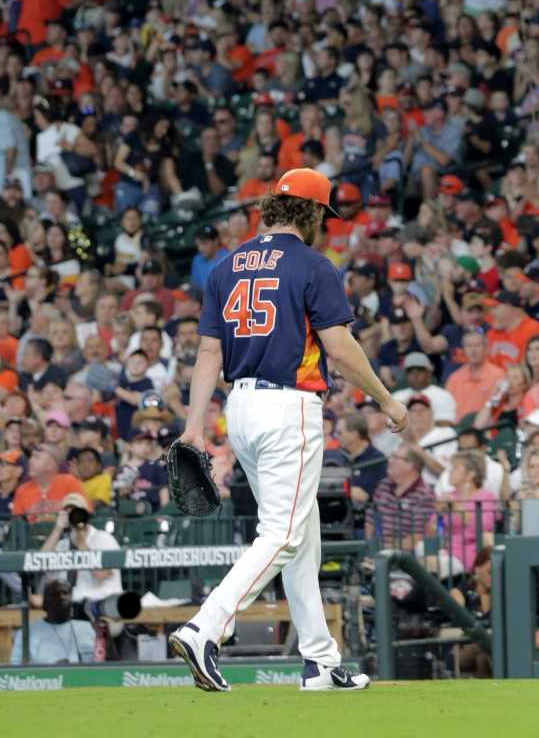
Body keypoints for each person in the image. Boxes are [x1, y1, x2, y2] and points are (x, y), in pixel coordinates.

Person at [169, 167, 410, 694]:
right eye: (322, 213)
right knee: (281, 533)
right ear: (312, 213)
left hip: (241, 411)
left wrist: (193, 426)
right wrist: (387, 399)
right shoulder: (312, 264)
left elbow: (208, 352)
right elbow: (341, 351)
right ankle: (205, 627)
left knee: (302, 535)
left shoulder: (226, 266)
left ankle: (320, 662)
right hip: (289, 407)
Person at [13, 576, 97, 663]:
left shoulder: (88, 628)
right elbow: (18, 669)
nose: (61, 597)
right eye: (54, 594)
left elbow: (100, 662)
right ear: (44, 603)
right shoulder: (28, 632)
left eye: (65, 593)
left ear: (72, 600)